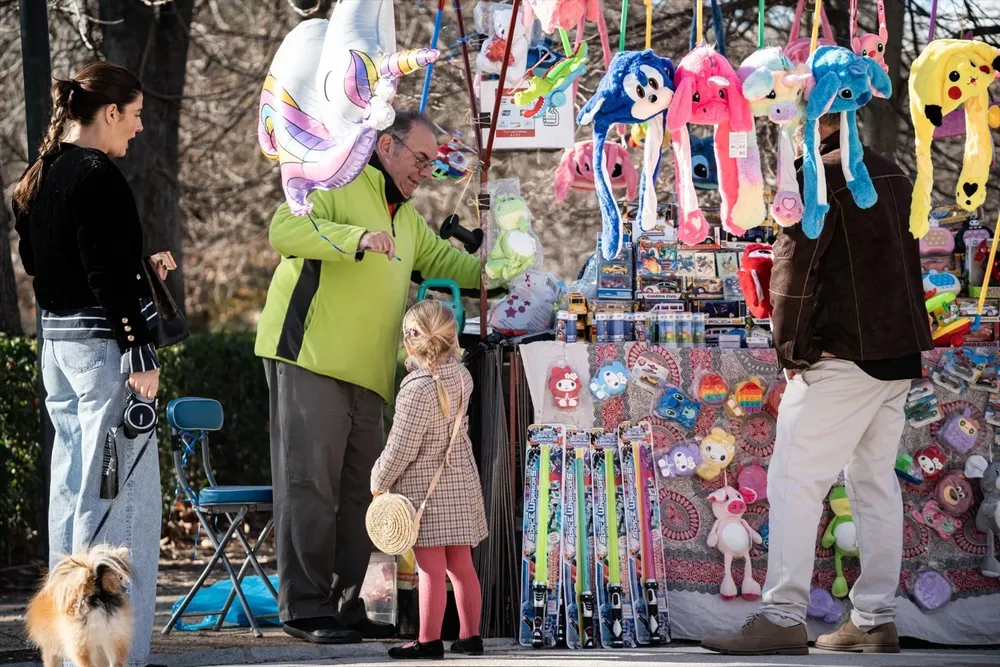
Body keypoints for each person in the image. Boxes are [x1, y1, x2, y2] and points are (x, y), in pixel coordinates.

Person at [702, 112, 933, 655]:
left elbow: (793, 268)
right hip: (894, 352)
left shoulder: (817, 177)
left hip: (843, 352)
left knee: (794, 482)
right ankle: (874, 618)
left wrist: (792, 349)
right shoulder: (890, 171)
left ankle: (783, 615)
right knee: (874, 485)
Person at [255, 111, 481, 644]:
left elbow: (456, 269)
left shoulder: (408, 220)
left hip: (371, 374)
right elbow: (283, 229)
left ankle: (345, 602)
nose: (426, 171)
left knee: (368, 492)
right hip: (309, 356)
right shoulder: (332, 179)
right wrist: (356, 237)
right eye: (420, 159)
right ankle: (305, 607)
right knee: (310, 485)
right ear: (386, 145)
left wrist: (513, 266)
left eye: (432, 163)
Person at [13, 62, 166, 666]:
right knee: (119, 499)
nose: (140, 126)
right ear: (108, 113)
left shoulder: (41, 172)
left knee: (72, 489)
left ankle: (65, 644)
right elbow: (102, 273)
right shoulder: (99, 175)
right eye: (133, 114)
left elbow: (43, 264)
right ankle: (112, 652)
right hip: (105, 348)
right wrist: (139, 349)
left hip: (57, 344)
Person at [370, 300, 487, 660]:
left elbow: (401, 447)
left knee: (430, 568)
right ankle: (470, 637)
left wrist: (378, 480)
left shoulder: (416, 388)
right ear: (451, 338)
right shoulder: (462, 375)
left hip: (426, 490)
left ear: (409, 342)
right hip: (460, 481)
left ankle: (428, 640)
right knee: (461, 565)